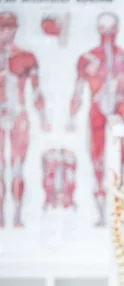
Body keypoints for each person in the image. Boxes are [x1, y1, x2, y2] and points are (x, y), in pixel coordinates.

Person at [66, 11, 124, 227]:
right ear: (98, 30)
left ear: (117, 30)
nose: (107, 34)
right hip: (96, 115)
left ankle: (115, 213)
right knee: (97, 162)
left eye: (111, 29)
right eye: (103, 29)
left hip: (119, 116)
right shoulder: (87, 60)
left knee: (118, 164)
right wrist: (70, 117)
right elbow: (77, 92)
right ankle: (100, 214)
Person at [0, 11, 51, 228]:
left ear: (15, 29)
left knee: (18, 167)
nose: (6, 31)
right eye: (3, 27)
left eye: (10, 27)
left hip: (19, 114)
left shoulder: (26, 56)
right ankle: (2, 215)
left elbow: (36, 91)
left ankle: (18, 214)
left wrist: (43, 117)